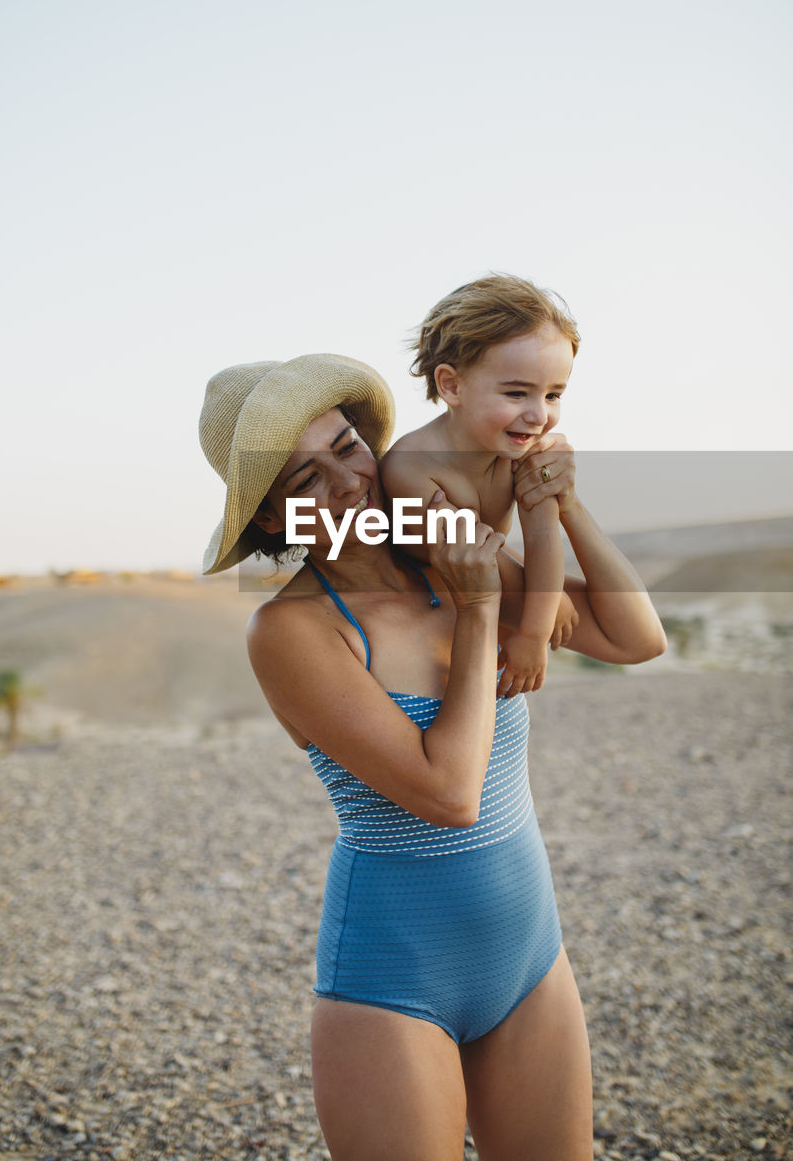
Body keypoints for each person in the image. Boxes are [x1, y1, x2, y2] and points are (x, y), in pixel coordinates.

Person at [198, 352, 666, 1161]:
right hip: (392, 983)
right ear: (272, 519)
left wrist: (563, 503)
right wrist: (482, 610)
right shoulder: (294, 630)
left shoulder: (446, 551)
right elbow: (449, 794)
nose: (348, 486)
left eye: (347, 448)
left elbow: (634, 639)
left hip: (530, 955)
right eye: (305, 480)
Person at [382, 273, 581, 698]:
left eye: (552, 395)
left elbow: (545, 536)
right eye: (516, 393)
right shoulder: (411, 469)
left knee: (624, 630)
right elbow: (481, 554)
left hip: (484, 586)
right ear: (451, 385)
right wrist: (537, 613)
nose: (538, 416)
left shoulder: (523, 449)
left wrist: (535, 626)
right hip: (428, 603)